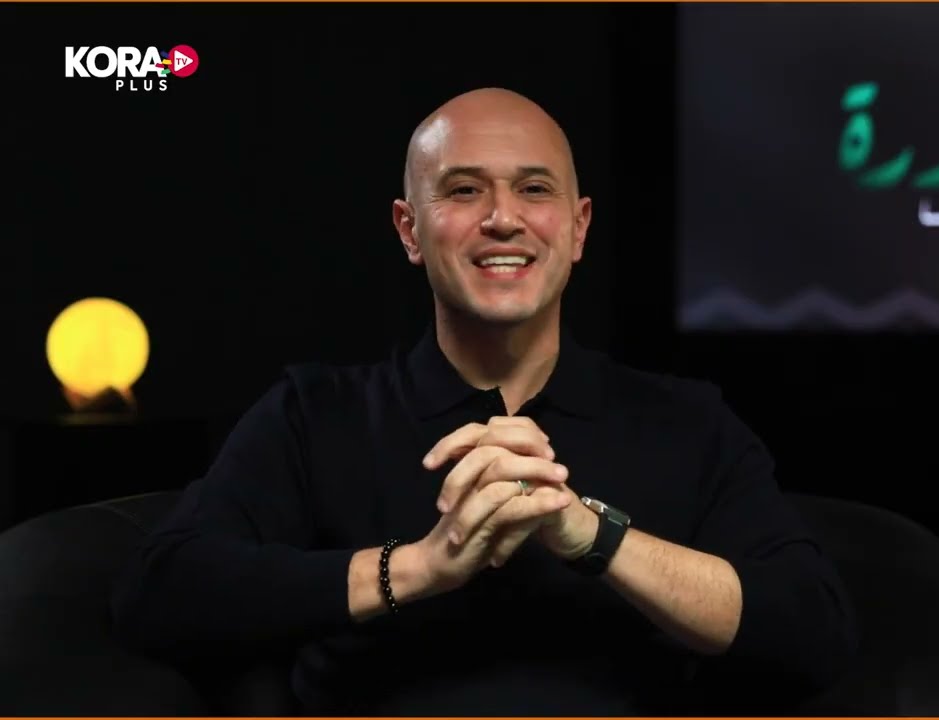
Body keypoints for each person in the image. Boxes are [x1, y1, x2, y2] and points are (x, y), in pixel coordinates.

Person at [111, 88, 856, 715]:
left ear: (578, 228)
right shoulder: (316, 413)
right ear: (409, 230)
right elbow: (161, 594)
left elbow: (814, 631)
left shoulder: (686, 420)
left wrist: (589, 535)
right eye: (464, 190)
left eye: (534, 189)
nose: (503, 217)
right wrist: (420, 567)